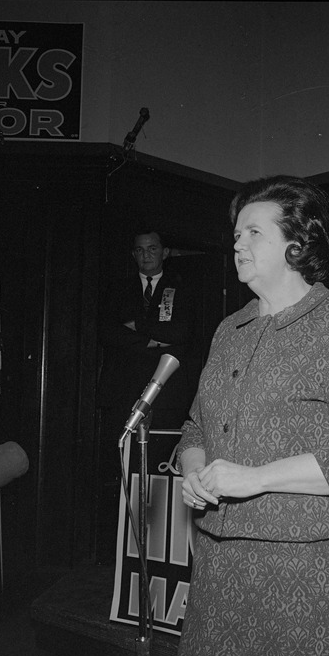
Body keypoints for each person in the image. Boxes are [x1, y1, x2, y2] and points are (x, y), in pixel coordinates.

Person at [168, 175, 329, 656]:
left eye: (253, 232)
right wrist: (196, 469)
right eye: (236, 233)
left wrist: (253, 479)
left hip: (306, 572)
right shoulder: (231, 331)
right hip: (222, 569)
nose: (237, 243)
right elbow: (196, 425)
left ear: (296, 245)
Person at [94, 230, 199, 564]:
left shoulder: (181, 286)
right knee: (122, 472)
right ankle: (121, 554)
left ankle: (156, 551)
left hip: (166, 397)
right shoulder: (118, 288)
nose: (146, 256)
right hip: (123, 393)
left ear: (165, 252)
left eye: (152, 249)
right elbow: (107, 331)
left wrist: (136, 325)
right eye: (139, 250)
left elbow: (181, 333)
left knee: (158, 471)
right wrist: (153, 339)